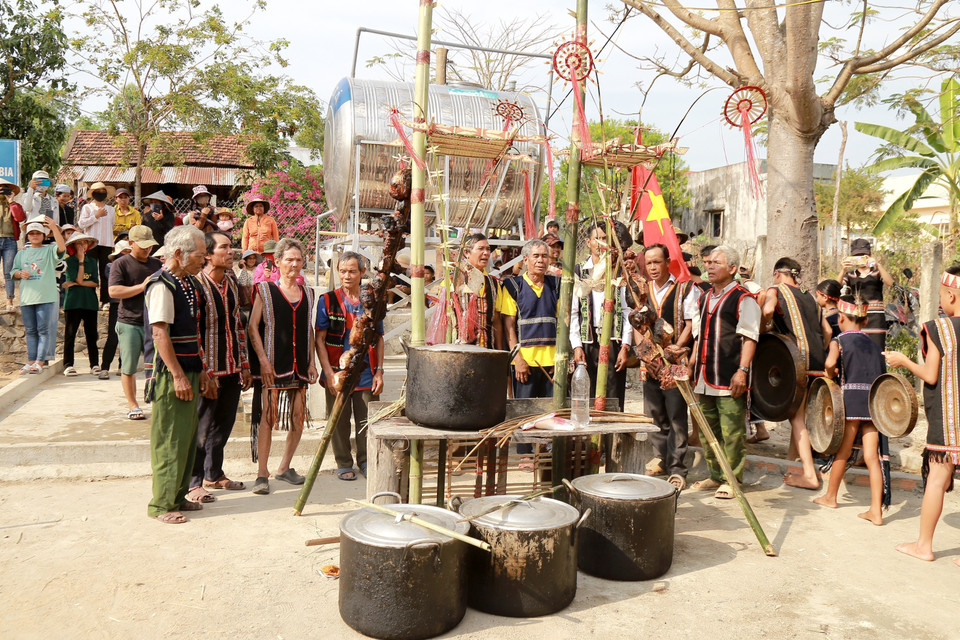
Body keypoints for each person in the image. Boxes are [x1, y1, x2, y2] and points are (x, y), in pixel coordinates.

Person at [886, 267, 960, 562]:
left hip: (949, 419)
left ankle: (923, 546)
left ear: (951, 295)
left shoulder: (940, 328)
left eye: (942, 295)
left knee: (937, 479)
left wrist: (903, 360)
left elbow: (930, 375)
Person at [142, 224, 211, 524]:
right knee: (169, 438)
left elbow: (194, 333)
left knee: (186, 437)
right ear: (180, 253)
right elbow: (160, 334)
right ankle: (161, 504)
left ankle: (178, 495)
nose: (203, 260)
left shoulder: (189, 284)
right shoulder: (161, 285)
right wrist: (179, 375)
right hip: (171, 375)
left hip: (189, 370)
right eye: (200, 255)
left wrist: (200, 370)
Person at [689, 245, 761, 500]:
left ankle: (732, 479)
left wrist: (742, 371)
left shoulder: (743, 298)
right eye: (708, 262)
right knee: (708, 430)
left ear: (732, 269)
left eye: (716, 263)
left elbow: (750, 337)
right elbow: (699, 335)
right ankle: (715, 475)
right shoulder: (704, 297)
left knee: (732, 432)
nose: (709, 266)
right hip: (704, 375)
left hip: (729, 375)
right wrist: (692, 363)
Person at [186, 231, 251, 504]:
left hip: (232, 367)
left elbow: (238, 326)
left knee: (223, 425)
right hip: (208, 371)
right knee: (201, 428)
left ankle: (214, 474)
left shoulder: (232, 284)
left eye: (231, 246)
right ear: (208, 255)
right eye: (223, 247)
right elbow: (193, 332)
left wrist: (244, 364)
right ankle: (193, 482)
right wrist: (204, 371)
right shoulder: (196, 285)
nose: (230, 251)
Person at [247, 238, 317, 495]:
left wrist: (311, 362)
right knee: (268, 418)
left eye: (298, 259)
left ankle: (284, 467)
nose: (294, 264)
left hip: (299, 366)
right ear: (277, 262)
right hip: (274, 364)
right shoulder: (265, 290)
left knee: (298, 418)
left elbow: (308, 329)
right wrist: (263, 361)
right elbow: (253, 327)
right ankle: (261, 473)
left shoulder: (308, 293)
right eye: (289, 259)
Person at [813, 296, 887, 525]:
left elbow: (829, 364)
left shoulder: (839, 341)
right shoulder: (874, 345)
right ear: (864, 321)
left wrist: (830, 373)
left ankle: (830, 497)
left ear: (841, 318)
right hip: (873, 403)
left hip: (851, 401)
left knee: (843, 452)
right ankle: (876, 510)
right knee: (871, 457)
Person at [759, 257, 831, 489]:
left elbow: (768, 310)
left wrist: (762, 330)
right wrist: (819, 351)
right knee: (800, 413)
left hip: (796, 359)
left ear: (777, 273)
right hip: (817, 360)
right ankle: (793, 462)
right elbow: (827, 330)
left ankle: (809, 475)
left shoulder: (776, 289)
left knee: (796, 417)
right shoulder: (809, 296)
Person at [315, 252, 385, 481]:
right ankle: (344, 462)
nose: (347, 276)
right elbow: (319, 339)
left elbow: (379, 338)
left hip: (366, 372)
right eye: (343, 271)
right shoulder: (327, 301)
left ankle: (365, 460)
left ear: (362, 272)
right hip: (337, 371)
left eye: (352, 271)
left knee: (366, 420)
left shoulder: (372, 301)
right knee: (338, 421)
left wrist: (379, 371)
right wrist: (328, 372)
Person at [641, 243, 700, 488]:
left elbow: (690, 323)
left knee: (676, 413)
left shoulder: (685, 289)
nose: (653, 267)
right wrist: (646, 355)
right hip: (651, 362)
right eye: (649, 263)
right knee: (654, 412)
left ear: (667, 262)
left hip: (675, 360)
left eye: (657, 262)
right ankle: (661, 458)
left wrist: (675, 347)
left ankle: (677, 467)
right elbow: (636, 324)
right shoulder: (641, 291)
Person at [501, 239, 560, 464]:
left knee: (550, 411)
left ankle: (545, 452)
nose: (541, 260)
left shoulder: (557, 285)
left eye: (544, 256)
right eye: (536, 256)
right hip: (524, 361)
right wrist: (517, 358)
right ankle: (525, 454)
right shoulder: (513, 286)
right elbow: (509, 326)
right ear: (525, 260)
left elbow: (563, 323)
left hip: (552, 361)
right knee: (524, 410)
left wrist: (561, 361)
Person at [570, 222, 633, 413]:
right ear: (588, 242)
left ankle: (611, 431)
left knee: (613, 395)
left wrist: (625, 346)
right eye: (597, 239)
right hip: (587, 342)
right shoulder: (580, 271)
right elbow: (573, 312)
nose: (601, 243)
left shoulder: (618, 270)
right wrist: (576, 345)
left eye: (605, 239)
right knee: (586, 395)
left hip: (613, 341)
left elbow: (627, 310)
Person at [108, 225, 162, 419]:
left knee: (158, 365)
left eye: (150, 246)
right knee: (129, 367)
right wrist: (142, 286)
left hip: (154, 322)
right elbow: (114, 291)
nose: (148, 249)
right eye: (143, 246)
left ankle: (158, 401)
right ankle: (133, 405)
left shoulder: (157, 264)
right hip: (129, 321)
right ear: (131, 243)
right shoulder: (120, 264)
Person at [11, 217, 66, 373]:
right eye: (32, 233)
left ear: (44, 235)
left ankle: (40, 362)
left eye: (38, 233)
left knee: (43, 330)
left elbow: (62, 248)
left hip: (46, 296)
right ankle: (31, 361)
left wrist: (54, 228)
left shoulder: (49, 250)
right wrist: (20, 273)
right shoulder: (21, 253)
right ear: (28, 236)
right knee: (30, 330)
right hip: (27, 297)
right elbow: (13, 271)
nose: (35, 236)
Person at [840, 239, 893, 350]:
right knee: (858, 351)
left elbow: (890, 283)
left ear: (870, 255)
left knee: (878, 350)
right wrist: (843, 270)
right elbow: (836, 286)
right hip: (857, 318)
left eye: (863, 256)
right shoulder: (850, 275)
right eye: (857, 256)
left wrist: (878, 265)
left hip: (876, 319)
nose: (860, 259)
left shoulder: (877, 273)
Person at [61, 233, 100, 376]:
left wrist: (79, 283)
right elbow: (77, 278)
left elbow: (95, 283)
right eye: (79, 243)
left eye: (84, 243)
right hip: (73, 303)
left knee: (92, 335)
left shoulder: (93, 261)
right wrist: (81, 263)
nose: (82, 246)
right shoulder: (69, 261)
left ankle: (94, 364)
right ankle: (68, 365)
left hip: (90, 303)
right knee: (70, 335)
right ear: (74, 245)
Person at [458, 234, 503, 349]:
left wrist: (499, 351)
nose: (486, 253)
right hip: (460, 350)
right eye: (481, 249)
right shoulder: (455, 281)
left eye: (488, 249)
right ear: (467, 253)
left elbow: (496, 319)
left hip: (487, 349)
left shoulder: (494, 284)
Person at [76, 181, 116, 305]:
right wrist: (96, 216)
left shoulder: (111, 209)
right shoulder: (87, 207)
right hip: (91, 243)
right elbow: (81, 224)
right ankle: (90, 300)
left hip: (107, 243)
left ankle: (105, 300)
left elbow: (112, 225)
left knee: (106, 272)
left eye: (103, 191)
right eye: (98, 191)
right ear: (93, 193)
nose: (101, 193)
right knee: (90, 272)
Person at [98, 241, 131, 379]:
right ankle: (105, 367)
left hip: (130, 304)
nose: (126, 254)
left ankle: (122, 366)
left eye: (129, 251)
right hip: (116, 305)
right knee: (113, 337)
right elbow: (117, 281)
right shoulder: (110, 266)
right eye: (124, 251)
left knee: (127, 338)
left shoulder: (135, 266)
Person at [0, 178, 26, 308]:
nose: (2, 191)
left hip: (10, 240)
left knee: (9, 272)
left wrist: (11, 201)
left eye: (5, 188)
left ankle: (9, 301)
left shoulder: (14, 205)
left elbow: (20, 218)